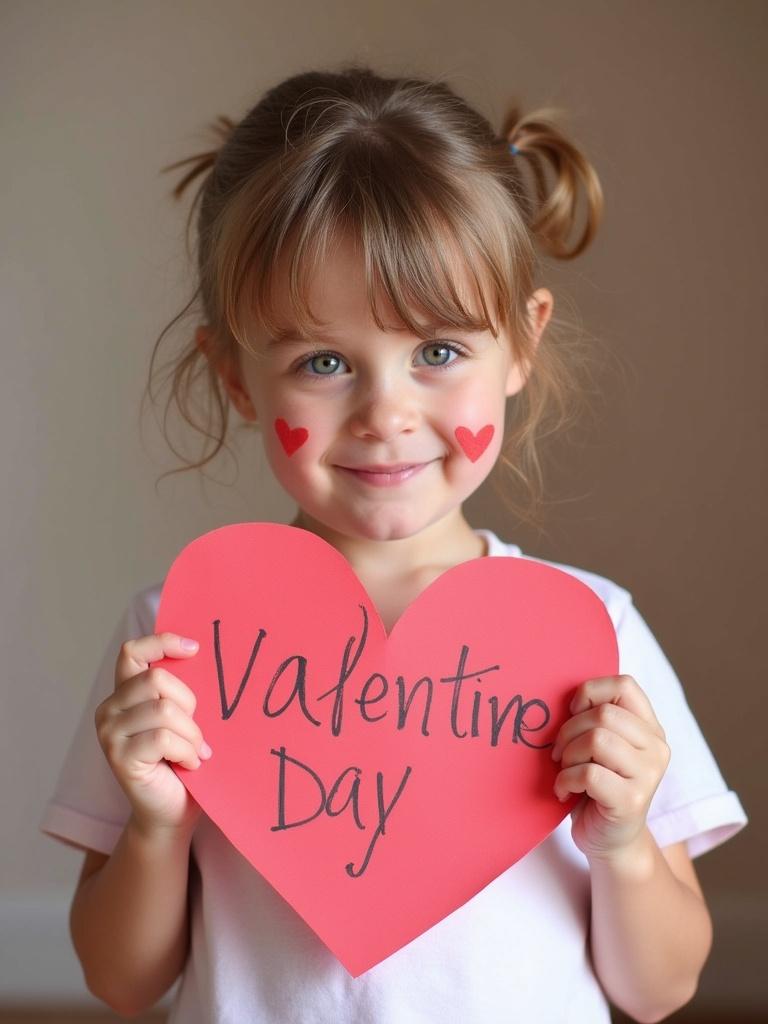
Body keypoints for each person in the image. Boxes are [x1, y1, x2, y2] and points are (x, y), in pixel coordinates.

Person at [41, 64, 747, 1023]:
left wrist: (622, 842)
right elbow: (120, 981)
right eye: (323, 362)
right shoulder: (178, 638)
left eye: (440, 352)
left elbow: (660, 991)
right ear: (238, 379)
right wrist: (158, 829)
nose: (387, 413)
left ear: (521, 348)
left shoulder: (592, 635)